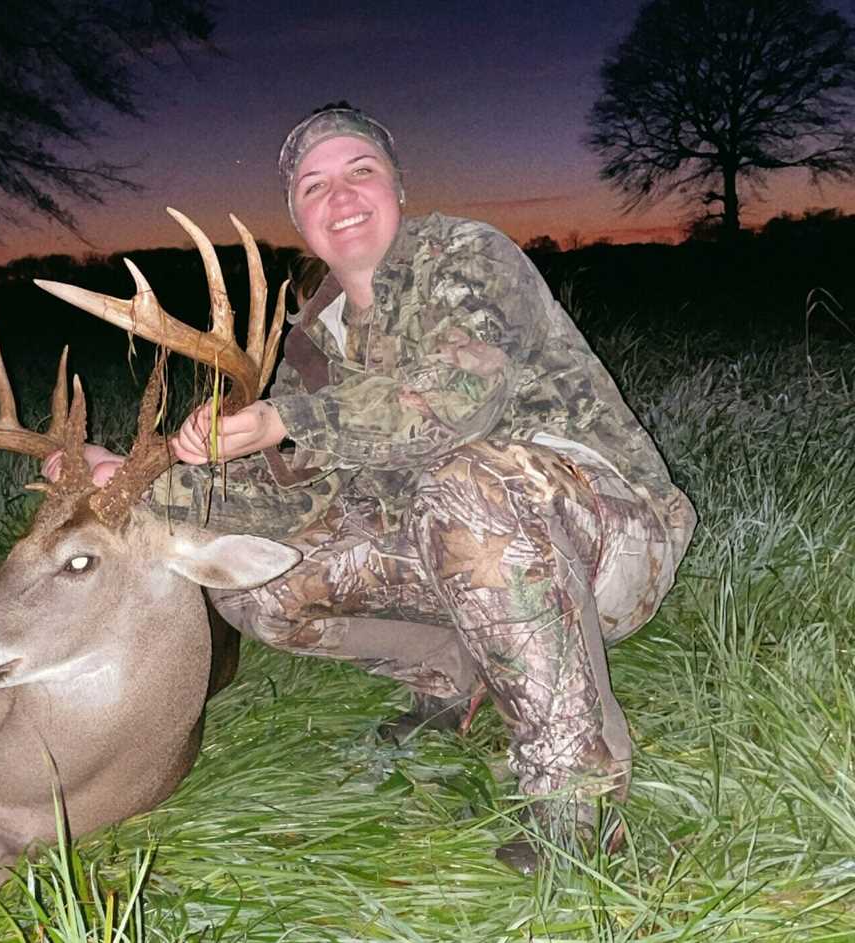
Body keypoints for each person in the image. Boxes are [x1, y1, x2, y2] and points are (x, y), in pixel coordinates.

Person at [48, 104, 696, 868]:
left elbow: (460, 400)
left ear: (397, 187)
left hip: (608, 543)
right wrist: (133, 482)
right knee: (256, 580)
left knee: (467, 483)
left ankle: (576, 804)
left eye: (360, 172)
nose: (340, 196)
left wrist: (283, 416)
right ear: (298, 214)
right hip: (464, 558)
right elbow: (289, 491)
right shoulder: (315, 340)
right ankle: (453, 677)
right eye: (314, 186)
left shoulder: (466, 255)